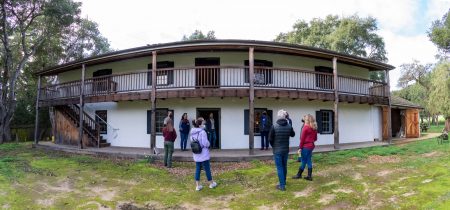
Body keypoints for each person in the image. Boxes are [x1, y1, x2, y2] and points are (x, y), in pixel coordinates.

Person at [269, 109, 295, 191]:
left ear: (278, 116)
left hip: (277, 150)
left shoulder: (274, 126)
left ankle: (282, 185)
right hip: (285, 149)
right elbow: (293, 134)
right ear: (285, 116)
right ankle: (284, 181)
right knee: (284, 166)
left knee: (280, 167)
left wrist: (273, 146)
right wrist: (290, 125)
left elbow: (270, 139)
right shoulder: (289, 126)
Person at [191, 117, 217, 191]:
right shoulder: (202, 132)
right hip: (203, 153)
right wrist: (209, 144)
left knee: (198, 168)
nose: (204, 124)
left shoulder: (192, 132)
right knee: (207, 168)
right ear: (200, 124)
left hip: (196, 152)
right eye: (203, 123)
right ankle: (211, 183)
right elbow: (205, 143)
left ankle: (197, 186)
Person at [292, 114, 318, 181]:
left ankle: (299, 175)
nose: (304, 120)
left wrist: (300, 148)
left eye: (305, 119)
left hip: (306, 146)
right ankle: (309, 176)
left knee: (303, 161)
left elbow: (302, 139)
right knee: (308, 160)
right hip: (311, 146)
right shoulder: (314, 128)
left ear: (307, 120)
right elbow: (315, 139)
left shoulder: (305, 128)